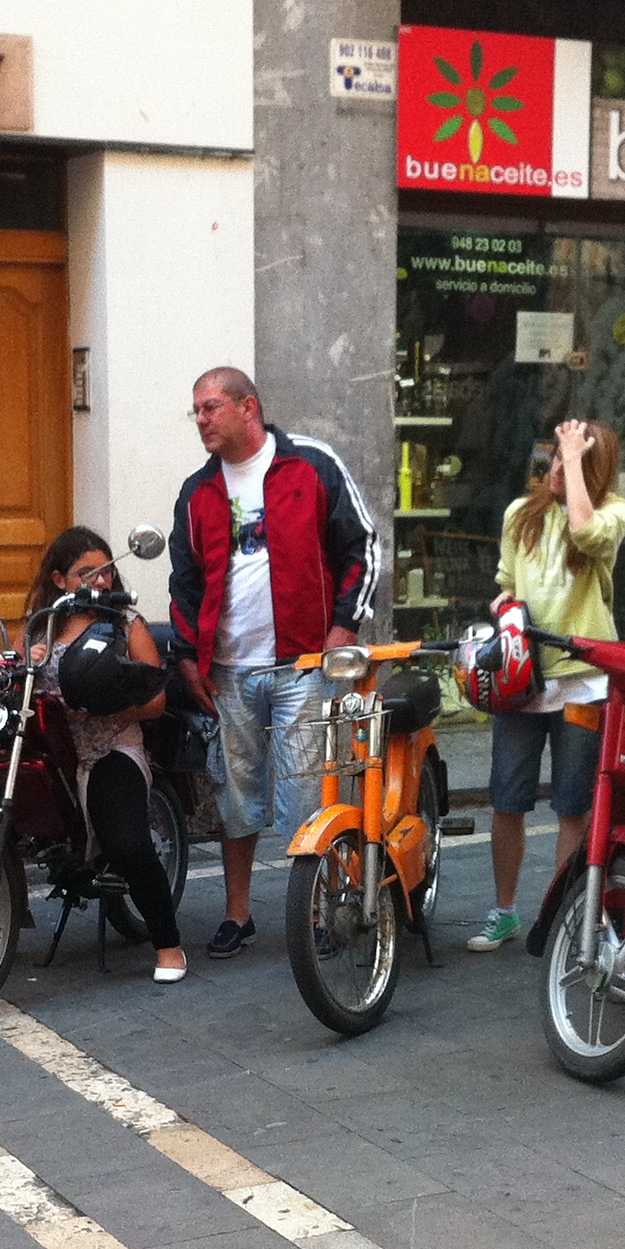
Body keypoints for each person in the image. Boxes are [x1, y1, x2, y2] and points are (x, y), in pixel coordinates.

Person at [167, 367, 377, 959]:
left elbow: (361, 543)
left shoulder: (310, 464)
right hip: (228, 670)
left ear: (247, 407)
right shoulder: (197, 491)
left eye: (211, 408)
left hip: (305, 664)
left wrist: (343, 626)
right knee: (237, 797)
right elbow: (183, 583)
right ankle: (240, 915)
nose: (202, 420)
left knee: (307, 795)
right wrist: (188, 656)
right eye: (198, 411)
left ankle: (314, 909)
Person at [469, 419, 625, 951]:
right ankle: (505, 910)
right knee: (507, 801)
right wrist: (503, 605)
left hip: (583, 682)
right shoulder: (521, 514)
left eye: (573, 461)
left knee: (572, 805)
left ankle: (562, 915)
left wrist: (575, 463)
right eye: (557, 459)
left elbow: (585, 532)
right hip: (520, 679)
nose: (558, 469)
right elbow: (507, 584)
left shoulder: (613, 512)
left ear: (595, 470)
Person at [31, 528, 189, 983]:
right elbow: (22, 677)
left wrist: (103, 700)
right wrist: (29, 660)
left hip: (111, 747)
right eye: (87, 574)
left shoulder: (126, 623)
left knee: (128, 841)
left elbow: (156, 700)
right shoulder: (43, 624)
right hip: (56, 751)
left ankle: (168, 944)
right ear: (60, 580)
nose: (100, 582)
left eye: (106, 572)